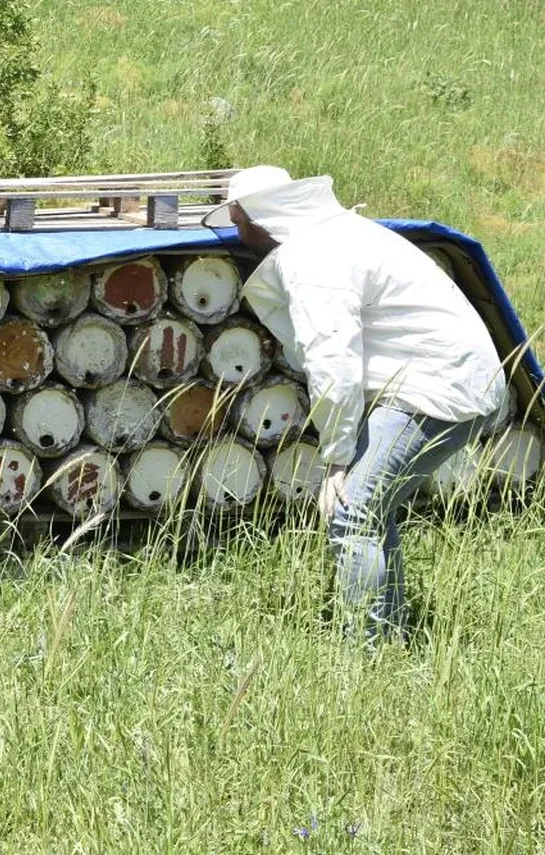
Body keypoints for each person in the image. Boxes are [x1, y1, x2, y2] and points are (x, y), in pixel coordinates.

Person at [202, 166, 508, 645]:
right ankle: (387, 635)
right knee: (372, 509)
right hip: (444, 377)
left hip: (435, 388)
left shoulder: (312, 260)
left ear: (264, 220)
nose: (239, 236)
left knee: (353, 511)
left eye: (241, 223)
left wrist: (338, 458)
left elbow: (334, 363)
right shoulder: (337, 236)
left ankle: (367, 652)